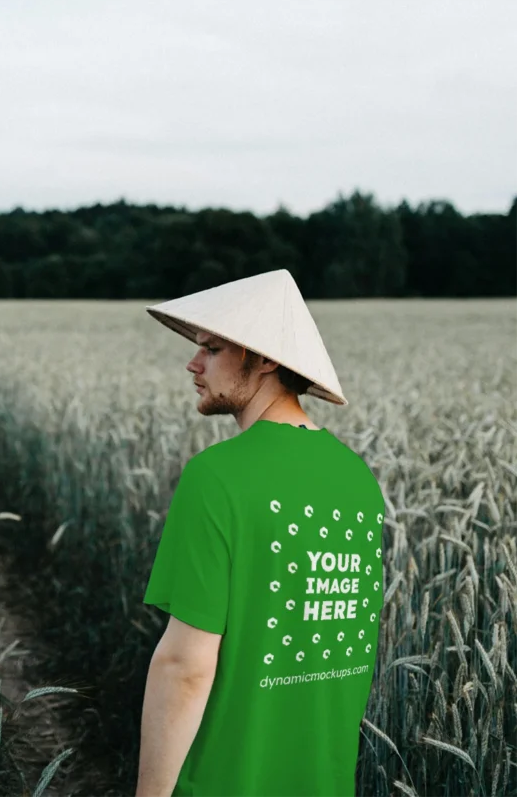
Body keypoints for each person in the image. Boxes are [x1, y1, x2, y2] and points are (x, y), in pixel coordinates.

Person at [137, 269, 385, 797]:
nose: (193, 362)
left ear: (266, 358)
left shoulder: (217, 476)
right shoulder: (358, 480)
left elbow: (185, 666)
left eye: (212, 348)